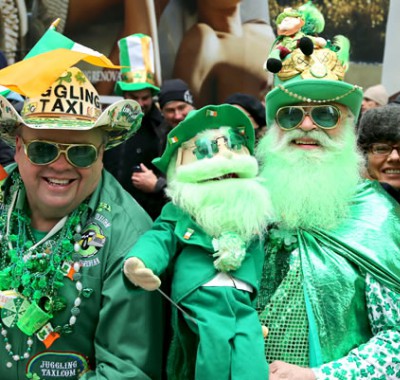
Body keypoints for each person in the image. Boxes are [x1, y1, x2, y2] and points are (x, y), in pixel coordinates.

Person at [256, 7, 400, 379]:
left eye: (325, 115)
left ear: (348, 127)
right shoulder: (246, 206)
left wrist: (321, 377)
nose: (306, 125)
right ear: (273, 129)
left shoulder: (376, 217)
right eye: (290, 115)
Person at [0, 65, 163, 378]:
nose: (60, 165)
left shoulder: (130, 237)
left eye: (81, 152)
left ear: (102, 154)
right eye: (43, 149)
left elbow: (126, 372)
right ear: (19, 149)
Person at [122, 104, 273, 379]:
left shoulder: (252, 209)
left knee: (251, 360)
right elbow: (160, 236)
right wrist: (142, 261)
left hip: (242, 301)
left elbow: (258, 255)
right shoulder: (183, 212)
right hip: (201, 294)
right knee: (213, 353)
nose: (226, 165)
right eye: (207, 152)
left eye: (235, 148)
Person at [103, 33, 168, 220]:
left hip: (149, 214)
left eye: (145, 98)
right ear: (124, 96)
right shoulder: (110, 124)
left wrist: (158, 185)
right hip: (110, 212)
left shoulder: (162, 128)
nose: (140, 103)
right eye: (134, 98)